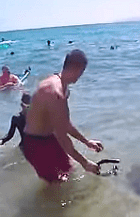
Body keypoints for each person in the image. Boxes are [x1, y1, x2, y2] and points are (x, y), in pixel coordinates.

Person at [22, 50, 103, 182]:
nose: (80, 77)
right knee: (56, 184)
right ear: (75, 69)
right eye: (81, 72)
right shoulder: (55, 92)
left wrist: (87, 142)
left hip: (49, 138)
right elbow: (62, 136)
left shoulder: (64, 88)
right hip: (34, 144)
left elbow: (65, 124)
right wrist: (85, 163)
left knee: (70, 171)